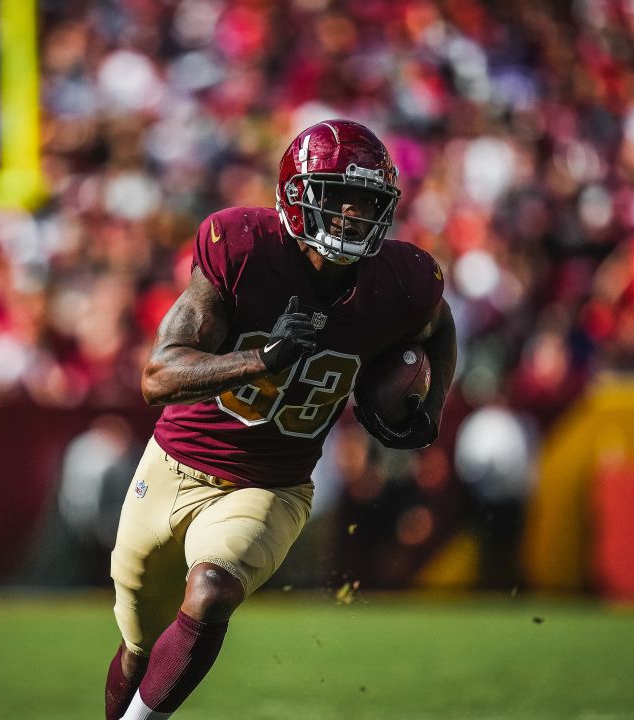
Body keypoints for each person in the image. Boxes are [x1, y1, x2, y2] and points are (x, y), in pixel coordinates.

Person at [103, 119, 457, 719]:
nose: (353, 214)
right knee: (139, 647)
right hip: (172, 465)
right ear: (295, 196)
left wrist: (435, 404)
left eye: (368, 201)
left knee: (212, 592)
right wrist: (261, 358)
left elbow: (439, 326)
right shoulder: (242, 248)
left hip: (271, 483)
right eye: (338, 196)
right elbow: (158, 377)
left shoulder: (402, 281)